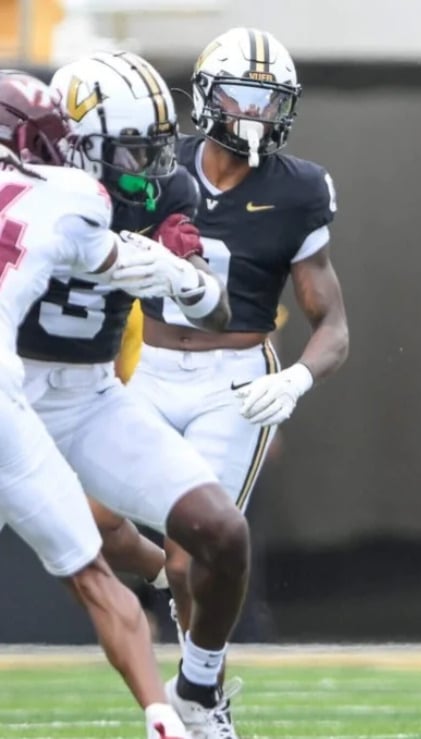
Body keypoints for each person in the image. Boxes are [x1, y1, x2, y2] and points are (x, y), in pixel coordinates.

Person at [15, 52, 256, 738]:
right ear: (78, 141)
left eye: (158, 147)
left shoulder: (164, 193)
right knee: (97, 550)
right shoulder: (38, 186)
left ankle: (199, 693)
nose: (151, 169)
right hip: (10, 388)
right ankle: (155, 577)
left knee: (223, 531)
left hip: (89, 398)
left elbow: (215, 314)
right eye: (133, 150)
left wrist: (187, 279)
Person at [126, 27, 349, 736]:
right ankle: (162, 585)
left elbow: (333, 324)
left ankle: (201, 692)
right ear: (206, 96)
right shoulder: (161, 165)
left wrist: (297, 384)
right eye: (243, 96)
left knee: (202, 554)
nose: (255, 114)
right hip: (144, 368)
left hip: (234, 378)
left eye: (269, 100)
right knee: (89, 515)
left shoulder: (300, 189)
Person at [0, 69, 188, 739]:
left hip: (50, 383)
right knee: (91, 573)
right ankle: (163, 717)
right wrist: (178, 272)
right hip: (6, 397)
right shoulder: (67, 194)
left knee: (99, 531)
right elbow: (124, 264)